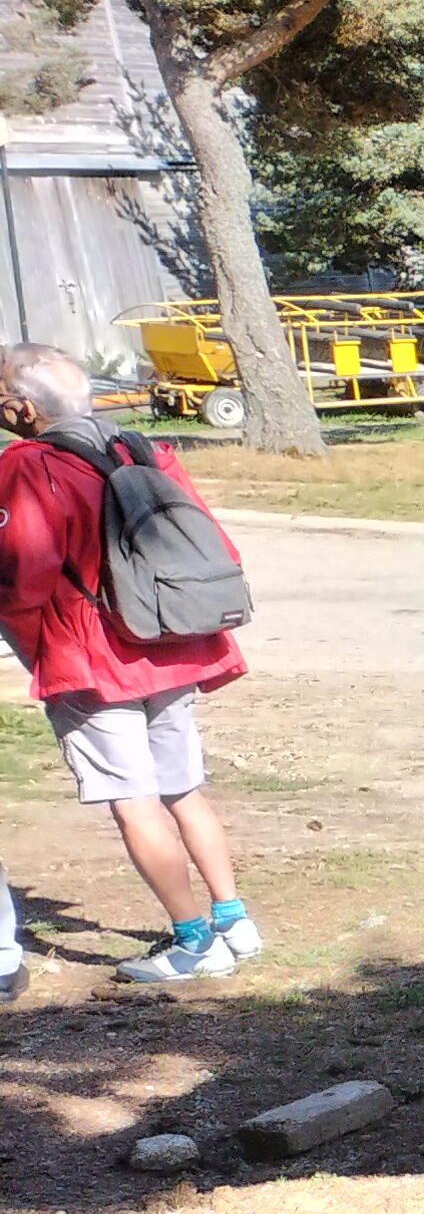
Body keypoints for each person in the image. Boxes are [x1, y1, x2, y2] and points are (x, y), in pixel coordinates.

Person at [0, 344, 258, 984]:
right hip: (171, 644)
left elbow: (24, 577)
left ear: (25, 408)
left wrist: (28, 638)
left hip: (92, 660)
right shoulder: (144, 449)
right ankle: (234, 921)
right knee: (183, 788)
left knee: (133, 801)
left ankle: (192, 942)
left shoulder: (28, 465)